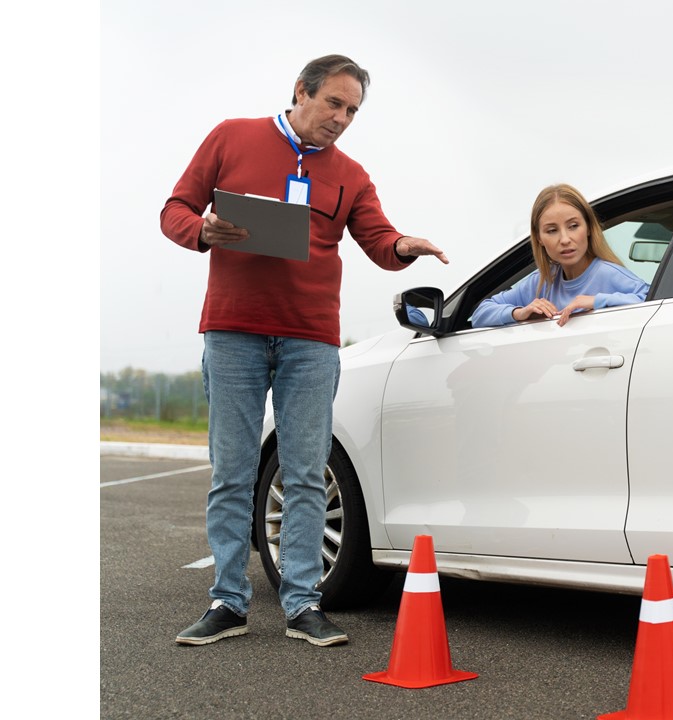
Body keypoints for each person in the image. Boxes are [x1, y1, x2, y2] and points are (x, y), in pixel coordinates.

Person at [160, 54, 448, 647]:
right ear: (301, 92)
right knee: (234, 472)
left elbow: (377, 239)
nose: (341, 118)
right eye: (334, 104)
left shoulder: (351, 173)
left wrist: (403, 246)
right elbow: (174, 211)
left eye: (352, 111)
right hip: (234, 331)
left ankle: (301, 603)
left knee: (306, 474)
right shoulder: (231, 137)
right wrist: (203, 230)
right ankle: (228, 602)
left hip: (311, 340)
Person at [470, 184, 650, 328]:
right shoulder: (540, 281)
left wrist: (596, 301)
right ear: (539, 238)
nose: (564, 239)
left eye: (573, 226)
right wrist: (520, 313)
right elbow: (480, 314)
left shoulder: (609, 273)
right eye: (552, 230)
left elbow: (655, 299)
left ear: (588, 228)